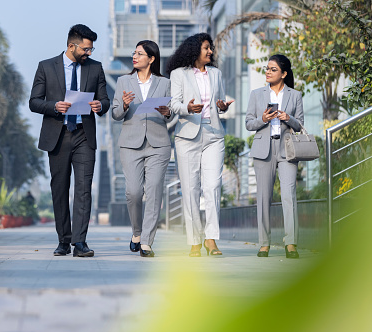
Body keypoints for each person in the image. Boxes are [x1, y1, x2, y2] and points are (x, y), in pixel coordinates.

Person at [29, 24, 110, 257]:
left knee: (84, 189)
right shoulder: (46, 67)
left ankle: (80, 242)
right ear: (71, 46)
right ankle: (63, 240)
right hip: (58, 134)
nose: (89, 53)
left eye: (91, 49)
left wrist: (99, 105)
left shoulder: (96, 68)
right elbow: (34, 102)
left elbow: (105, 99)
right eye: (86, 49)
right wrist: (54, 106)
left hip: (84, 134)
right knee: (60, 188)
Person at [166, 33, 234, 257]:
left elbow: (219, 102)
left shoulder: (216, 73)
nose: (210, 52)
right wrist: (188, 108)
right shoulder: (178, 74)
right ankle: (195, 241)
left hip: (213, 133)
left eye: (211, 48)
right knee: (190, 189)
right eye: (206, 48)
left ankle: (211, 239)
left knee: (213, 187)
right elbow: (173, 103)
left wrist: (222, 106)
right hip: (187, 136)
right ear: (195, 50)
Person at [111, 40, 173, 258]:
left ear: (152, 58)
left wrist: (167, 112)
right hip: (130, 143)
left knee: (154, 190)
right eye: (134, 53)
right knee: (134, 192)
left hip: (158, 143)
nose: (134, 57)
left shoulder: (165, 83)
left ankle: (146, 241)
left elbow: (171, 112)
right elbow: (116, 113)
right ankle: (137, 232)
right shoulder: (123, 81)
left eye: (140, 53)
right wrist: (125, 105)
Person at [245, 54, 303, 259]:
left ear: (284, 74)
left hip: (287, 149)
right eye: (267, 69)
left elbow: (300, 125)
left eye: (273, 69)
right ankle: (264, 243)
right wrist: (262, 119)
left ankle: (291, 243)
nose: (268, 72)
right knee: (263, 197)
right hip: (263, 149)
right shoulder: (256, 94)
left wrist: (290, 118)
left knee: (289, 195)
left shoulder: (295, 95)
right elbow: (249, 123)